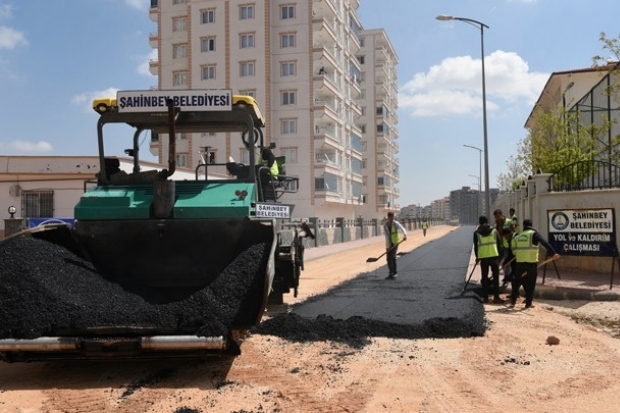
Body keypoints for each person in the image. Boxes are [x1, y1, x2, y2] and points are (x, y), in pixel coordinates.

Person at [510, 219, 560, 309]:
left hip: (519, 262)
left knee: (517, 281)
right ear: (531, 225)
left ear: (523, 225)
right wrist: (553, 253)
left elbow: (513, 251)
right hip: (531, 263)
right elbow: (544, 242)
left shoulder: (518, 236)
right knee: (531, 283)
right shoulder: (533, 234)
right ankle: (528, 303)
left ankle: (513, 302)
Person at [473, 215, 503, 304]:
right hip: (494, 256)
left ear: (480, 222)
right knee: (496, 277)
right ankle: (496, 297)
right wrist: (499, 256)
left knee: (485, 278)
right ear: (487, 221)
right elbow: (499, 244)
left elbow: (476, 246)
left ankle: (485, 297)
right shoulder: (494, 231)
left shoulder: (477, 233)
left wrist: (477, 257)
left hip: (483, 258)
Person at [383, 211, 407, 280]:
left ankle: (394, 273)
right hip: (389, 243)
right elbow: (386, 237)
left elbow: (402, 229)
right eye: (391, 217)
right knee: (388, 258)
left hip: (396, 242)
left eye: (393, 217)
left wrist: (405, 235)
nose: (392, 219)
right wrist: (387, 247)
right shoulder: (385, 225)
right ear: (388, 217)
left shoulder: (395, 223)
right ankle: (390, 273)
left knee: (393, 257)